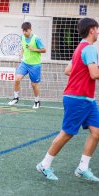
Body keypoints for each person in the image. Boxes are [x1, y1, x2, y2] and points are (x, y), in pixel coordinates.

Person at [36, 17, 99, 182]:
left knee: (96, 132)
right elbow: (94, 74)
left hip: (88, 99)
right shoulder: (90, 49)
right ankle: (44, 164)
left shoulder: (80, 48)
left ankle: (82, 167)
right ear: (92, 29)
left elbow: (68, 70)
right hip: (77, 98)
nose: (98, 32)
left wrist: (81, 76)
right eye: (97, 29)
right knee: (67, 133)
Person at [8, 22, 46, 109]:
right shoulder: (22, 37)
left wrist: (33, 49)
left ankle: (37, 101)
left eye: (26, 31)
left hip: (35, 65)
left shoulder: (37, 39)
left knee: (34, 85)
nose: (24, 33)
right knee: (17, 79)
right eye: (23, 31)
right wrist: (20, 56)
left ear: (30, 30)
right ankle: (15, 98)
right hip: (24, 63)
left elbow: (44, 50)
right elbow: (23, 47)